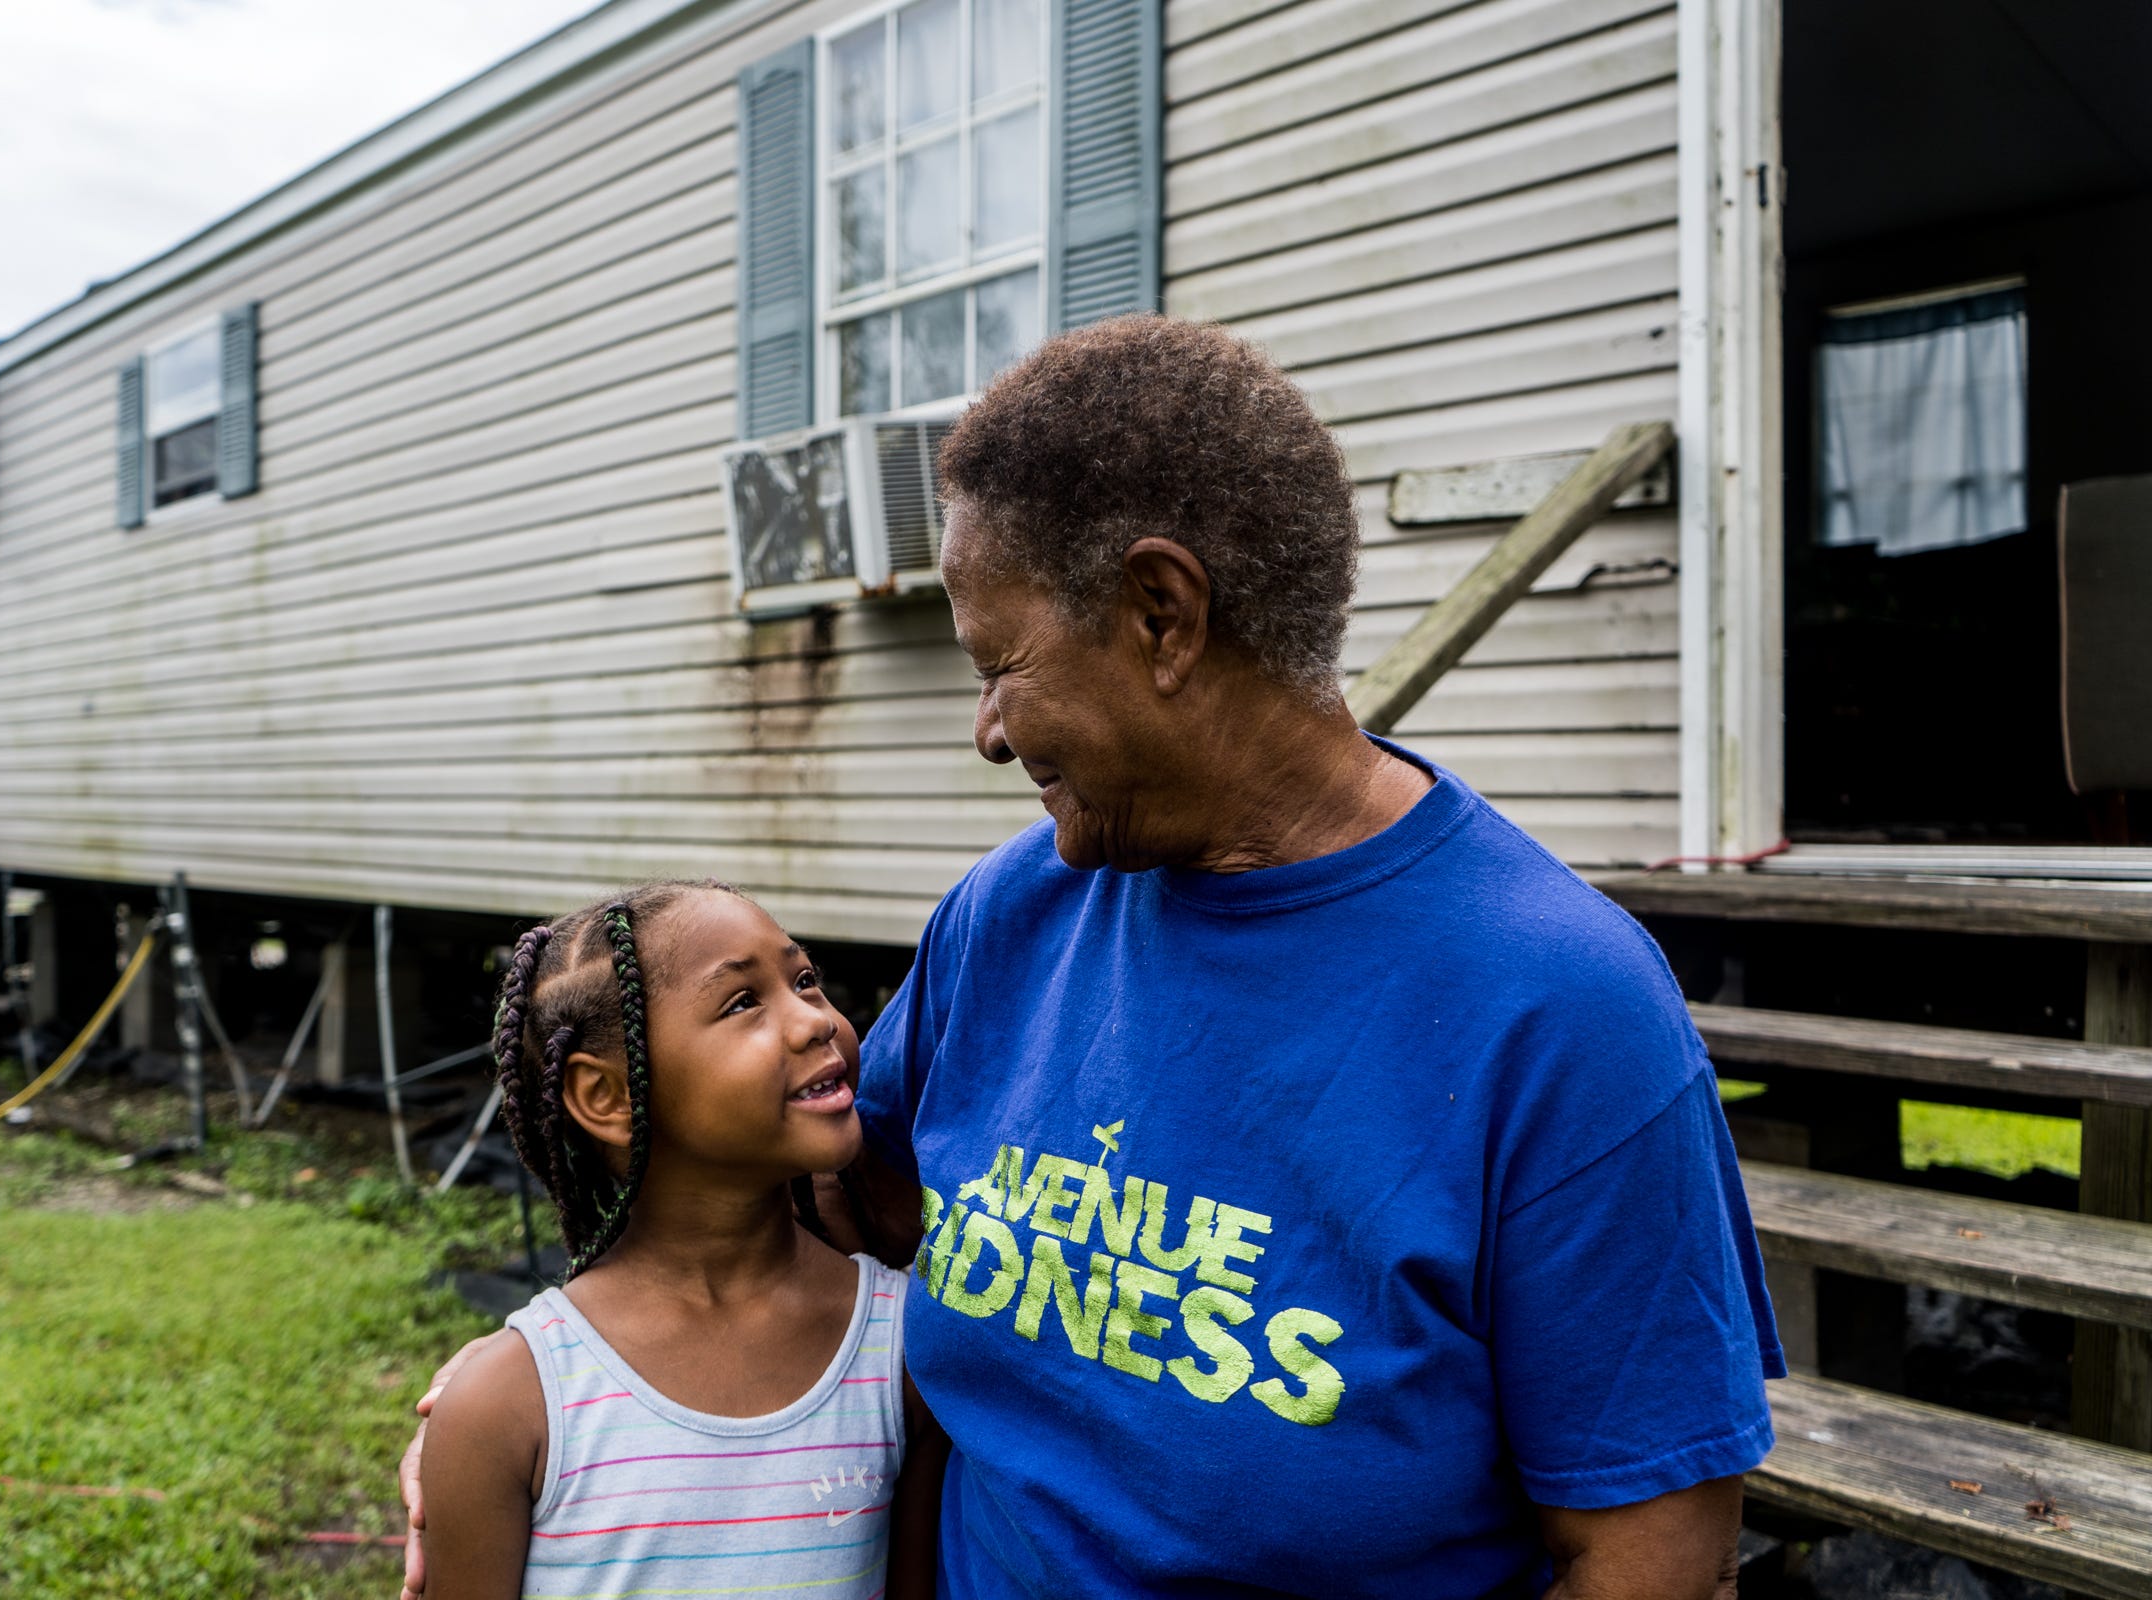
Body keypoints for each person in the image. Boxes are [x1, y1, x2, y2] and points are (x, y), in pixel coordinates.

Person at [405, 316, 1781, 1599]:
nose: (989, 729)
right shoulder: (1009, 918)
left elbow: (1648, 1559)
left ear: (1161, 616)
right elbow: (846, 1214)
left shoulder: (1562, 1015)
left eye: (999, 662)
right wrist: (542, 1404)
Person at [414, 881, 945, 1600]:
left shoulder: (901, 1345)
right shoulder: (508, 1405)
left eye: (805, 980)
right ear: (606, 1097)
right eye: (743, 1002)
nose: (815, 1021)